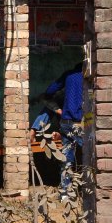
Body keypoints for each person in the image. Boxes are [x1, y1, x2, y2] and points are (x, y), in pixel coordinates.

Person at [44, 62, 84, 193]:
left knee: (66, 159)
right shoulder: (88, 76)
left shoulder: (68, 75)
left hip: (66, 122)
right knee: (90, 156)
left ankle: (65, 193)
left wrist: (58, 108)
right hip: (82, 122)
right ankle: (88, 190)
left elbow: (49, 91)